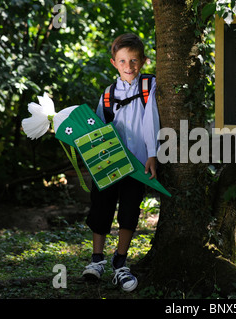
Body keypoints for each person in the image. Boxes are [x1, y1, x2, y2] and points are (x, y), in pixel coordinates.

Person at [81, 33, 159, 292]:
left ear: (143, 61)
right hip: (108, 163)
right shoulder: (108, 93)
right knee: (101, 207)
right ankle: (96, 260)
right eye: (123, 61)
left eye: (134, 60)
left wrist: (152, 154)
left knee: (129, 211)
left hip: (137, 164)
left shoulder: (149, 86)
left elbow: (151, 120)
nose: (129, 66)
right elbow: (96, 129)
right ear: (114, 62)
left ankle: (120, 262)